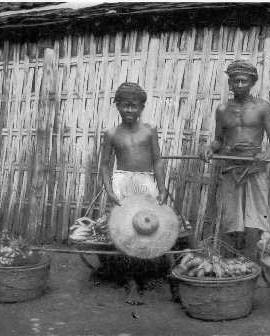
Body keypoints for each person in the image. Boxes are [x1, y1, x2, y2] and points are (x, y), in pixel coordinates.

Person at [201, 60, 270, 262]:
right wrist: (209, 149)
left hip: (255, 167)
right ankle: (232, 261)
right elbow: (219, 140)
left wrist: (266, 154)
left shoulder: (262, 107)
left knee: (257, 216)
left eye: (244, 81)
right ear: (230, 83)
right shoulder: (222, 110)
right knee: (232, 217)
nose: (239, 85)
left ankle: (252, 261)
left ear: (252, 82)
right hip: (231, 167)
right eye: (235, 81)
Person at [100, 82, 168, 305]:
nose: (130, 110)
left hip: (145, 182)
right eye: (125, 105)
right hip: (121, 183)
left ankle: (144, 275)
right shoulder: (111, 134)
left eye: (134, 106)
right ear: (117, 105)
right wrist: (109, 190)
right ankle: (131, 283)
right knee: (125, 233)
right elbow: (104, 165)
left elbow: (157, 161)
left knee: (147, 230)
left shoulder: (149, 131)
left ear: (142, 107)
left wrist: (162, 187)